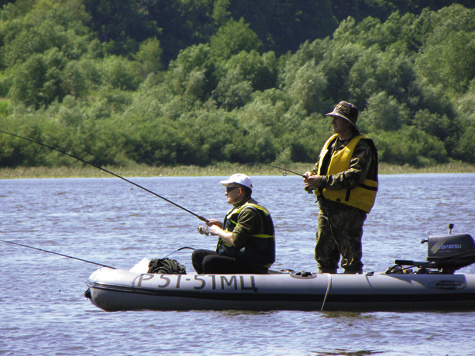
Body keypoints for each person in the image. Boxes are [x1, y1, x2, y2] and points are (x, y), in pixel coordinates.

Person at [304, 101, 378, 274]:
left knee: (350, 258)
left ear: (348, 122)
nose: (333, 122)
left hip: (349, 210)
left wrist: (321, 181)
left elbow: (355, 175)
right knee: (324, 256)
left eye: (337, 118)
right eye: (333, 118)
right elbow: (319, 167)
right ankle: (327, 292)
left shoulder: (362, 146)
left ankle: (352, 293)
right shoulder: (331, 143)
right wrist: (311, 176)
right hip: (326, 209)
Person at [192, 173, 275, 274]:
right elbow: (244, 234)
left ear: (239, 191)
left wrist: (218, 231)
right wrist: (222, 227)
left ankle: (215, 288)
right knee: (198, 255)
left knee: (209, 261)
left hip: (252, 265)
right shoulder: (242, 209)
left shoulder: (249, 212)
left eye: (229, 189)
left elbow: (236, 240)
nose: (226, 193)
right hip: (240, 259)